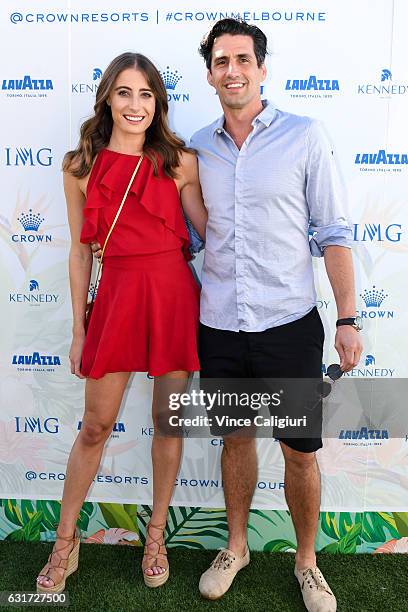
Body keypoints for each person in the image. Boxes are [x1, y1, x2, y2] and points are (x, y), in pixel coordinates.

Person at [190, 18, 363, 612]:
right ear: (210, 73)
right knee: (235, 439)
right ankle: (235, 547)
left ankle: (307, 562)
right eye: (220, 60)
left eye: (243, 58)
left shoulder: (305, 136)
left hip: (289, 325)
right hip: (219, 324)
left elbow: (334, 232)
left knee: (299, 450)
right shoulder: (196, 150)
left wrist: (347, 318)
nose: (232, 69)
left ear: (262, 68)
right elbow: (190, 239)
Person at [36, 52, 207, 593]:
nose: (136, 105)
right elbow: (80, 252)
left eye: (147, 94)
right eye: (125, 93)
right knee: (94, 428)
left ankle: (155, 536)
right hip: (115, 301)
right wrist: (79, 328)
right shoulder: (79, 167)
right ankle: (65, 543)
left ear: (158, 103)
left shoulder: (180, 161)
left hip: (174, 298)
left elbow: (214, 233)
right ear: (108, 98)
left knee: (167, 423)